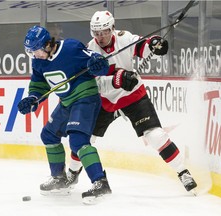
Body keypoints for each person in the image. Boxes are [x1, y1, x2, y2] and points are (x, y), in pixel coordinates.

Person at [66, 11, 197, 194]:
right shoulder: (90, 50)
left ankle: (183, 172)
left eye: (104, 32)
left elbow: (143, 46)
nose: (100, 37)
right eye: (96, 33)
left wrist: (154, 44)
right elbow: (93, 83)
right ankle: (72, 173)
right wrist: (117, 79)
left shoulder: (124, 38)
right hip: (105, 100)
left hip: (132, 96)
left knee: (156, 136)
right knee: (84, 139)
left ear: (112, 28)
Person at [17, 25, 113, 204]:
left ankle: (100, 182)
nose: (34, 55)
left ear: (47, 44)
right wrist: (32, 99)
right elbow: (39, 85)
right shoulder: (38, 62)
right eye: (30, 52)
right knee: (48, 134)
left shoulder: (71, 48)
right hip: (67, 102)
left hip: (86, 99)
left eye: (36, 50)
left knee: (77, 140)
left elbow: (99, 63)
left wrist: (98, 64)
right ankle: (59, 180)